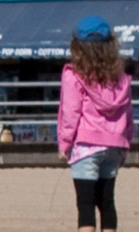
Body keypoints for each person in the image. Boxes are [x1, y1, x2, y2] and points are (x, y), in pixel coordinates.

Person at [57, 16, 134, 232]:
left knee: (86, 206)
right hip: (114, 144)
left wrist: (64, 143)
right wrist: (125, 142)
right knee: (107, 203)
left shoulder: (74, 75)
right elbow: (128, 113)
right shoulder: (121, 77)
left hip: (86, 145)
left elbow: (71, 112)